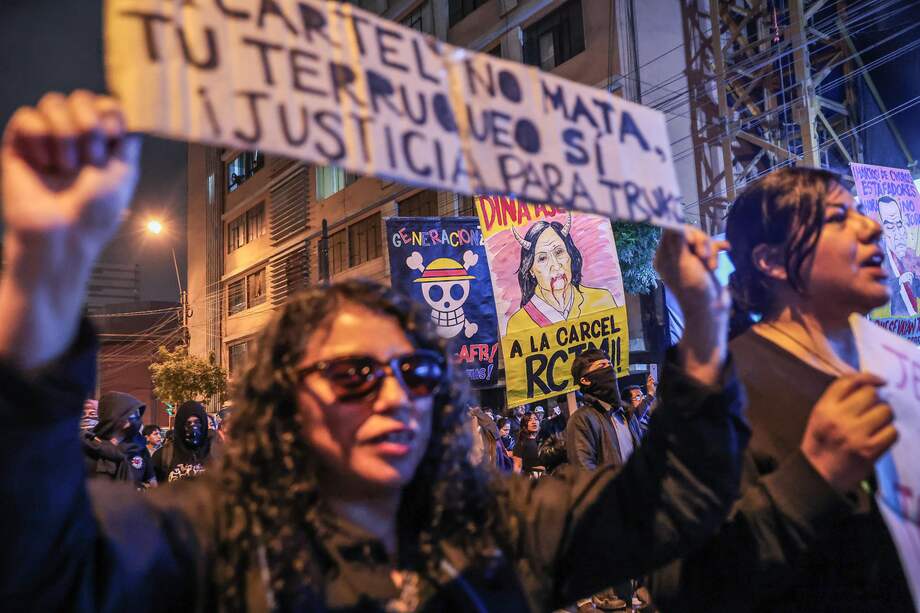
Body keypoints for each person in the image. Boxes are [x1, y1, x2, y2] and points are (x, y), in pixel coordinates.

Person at [0, 92, 748, 611]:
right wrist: (43, 270)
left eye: (417, 372)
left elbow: (673, 499)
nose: (395, 396)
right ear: (289, 397)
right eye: (354, 374)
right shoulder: (214, 539)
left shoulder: (494, 528)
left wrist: (707, 329)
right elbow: (41, 565)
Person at [651, 167, 907, 612]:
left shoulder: (897, 366)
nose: (873, 228)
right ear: (771, 261)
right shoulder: (720, 390)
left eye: (862, 212)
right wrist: (812, 478)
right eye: (838, 217)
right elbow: (676, 583)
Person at [507, 214, 620, 333]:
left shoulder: (602, 301)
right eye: (542, 258)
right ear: (531, 270)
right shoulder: (518, 324)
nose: (556, 266)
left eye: (559, 252)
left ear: (570, 255)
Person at [566, 350, 646, 472]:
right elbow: (584, 471)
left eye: (610, 364)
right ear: (585, 380)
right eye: (601, 366)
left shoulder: (627, 414)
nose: (609, 369)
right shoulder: (581, 419)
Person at [81, 391, 156, 490]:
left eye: (135, 413)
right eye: (129, 412)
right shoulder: (90, 447)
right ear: (112, 413)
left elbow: (152, 483)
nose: (134, 416)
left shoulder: (139, 448)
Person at [877, 194, 920, 316]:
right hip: (895, 325)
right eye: (890, 226)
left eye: (899, 224)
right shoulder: (877, 257)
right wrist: (899, 282)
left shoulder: (911, 254)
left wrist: (915, 279)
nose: (897, 233)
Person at [152, 400, 213, 483]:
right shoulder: (163, 456)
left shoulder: (216, 453)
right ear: (180, 426)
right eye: (188, 423)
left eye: (197, 422)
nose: (193, 427)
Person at [512, 412, 543, 476]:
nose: (534, 422)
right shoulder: (521, 443)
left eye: (536, 419)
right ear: (524, 425)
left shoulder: (536, 441)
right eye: (529, 420)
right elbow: (517, 467)